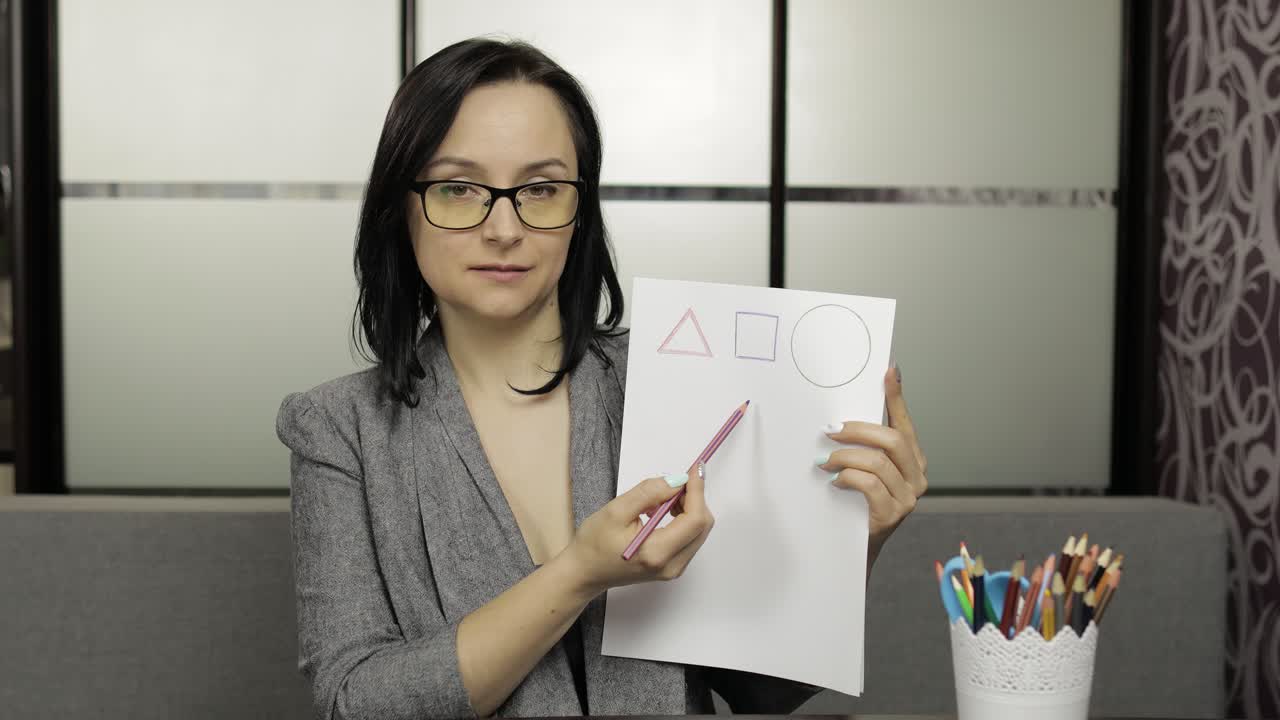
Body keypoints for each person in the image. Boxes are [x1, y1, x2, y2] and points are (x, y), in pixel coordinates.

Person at [276, 38, 928, 720]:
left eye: (541, 189)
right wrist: (578, 573)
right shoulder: (337, 428)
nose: (504, 227)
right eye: (459, 188)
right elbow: (354, 704)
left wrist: (855, 542)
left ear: (579, 210)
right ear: (401, 207)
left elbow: (761, 692)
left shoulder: (675, 381)